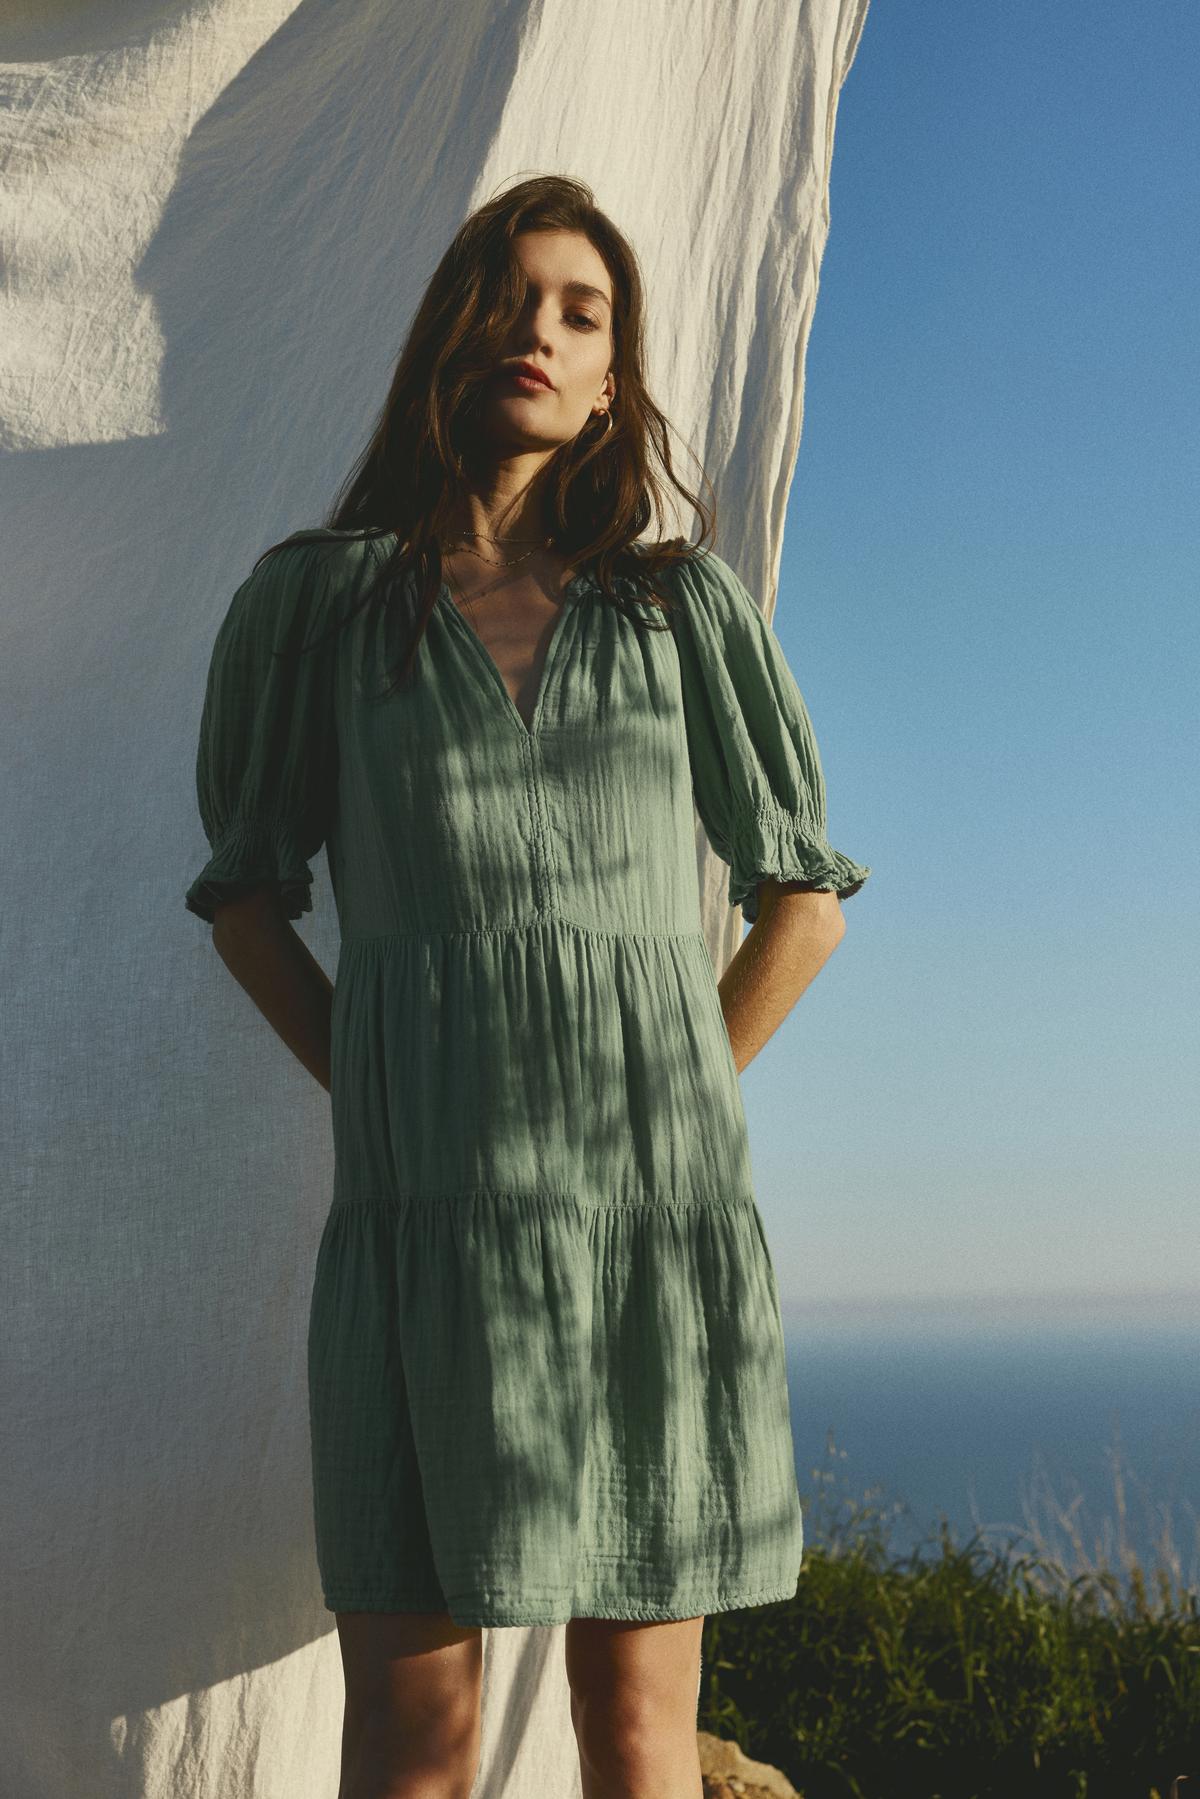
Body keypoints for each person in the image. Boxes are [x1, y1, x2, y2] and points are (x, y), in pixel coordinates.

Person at [184, 173, 871, 1799]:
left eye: (584, 311)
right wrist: (388, 1086)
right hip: (423, 1236)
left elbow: (804, 904)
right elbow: (247, 903)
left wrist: (677, 1086)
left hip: (654, 1235)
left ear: (613, 380)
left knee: (635, 1739)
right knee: (412, 1744)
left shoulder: (679, 608)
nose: (542, 331)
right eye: (513, 295)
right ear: (450, 331)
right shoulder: (319, 607)